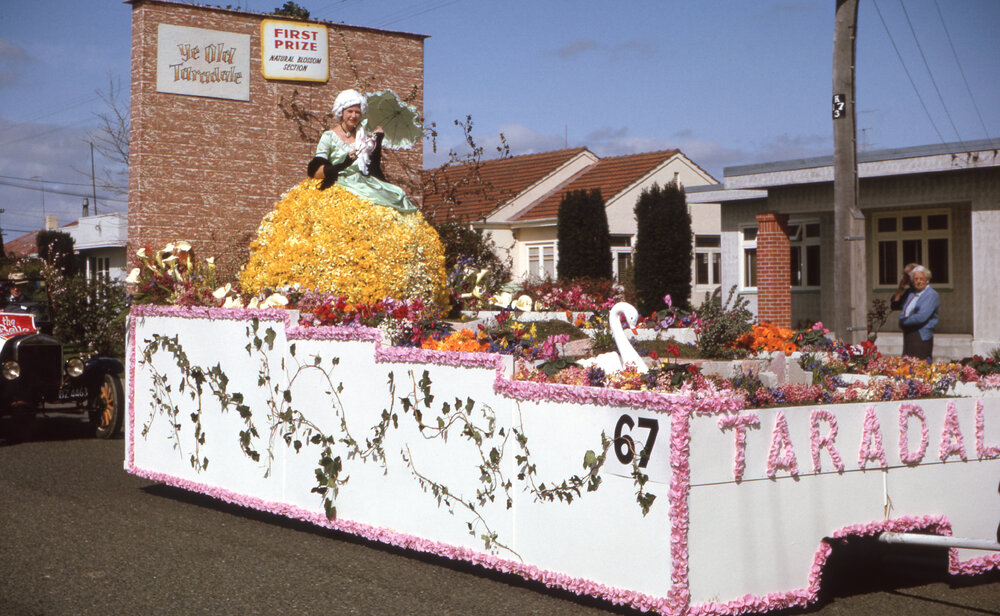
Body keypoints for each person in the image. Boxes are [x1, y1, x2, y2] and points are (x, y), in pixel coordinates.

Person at [307, 89, 416, 213]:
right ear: (341, 112)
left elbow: (373, 168)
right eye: (350, 111)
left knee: (397, 194)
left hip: (363, 181)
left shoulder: (364, 135)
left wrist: (378, 141)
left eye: (357, 112)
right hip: (338, 181)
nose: (353, 116)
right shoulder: (329, 136)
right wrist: (343, 164)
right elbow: (314, 172)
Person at [896, 265, 939, 361]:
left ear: (927, 280)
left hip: (921, 335)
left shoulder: (931, 294)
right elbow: (904, 310)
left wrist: (903, 321)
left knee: (920, 365)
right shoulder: (912, 293)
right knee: (907, 364)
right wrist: (902, 319)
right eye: (916, 279)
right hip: (909, 333)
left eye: (921, 279)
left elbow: (921, 317)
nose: (918, 281)